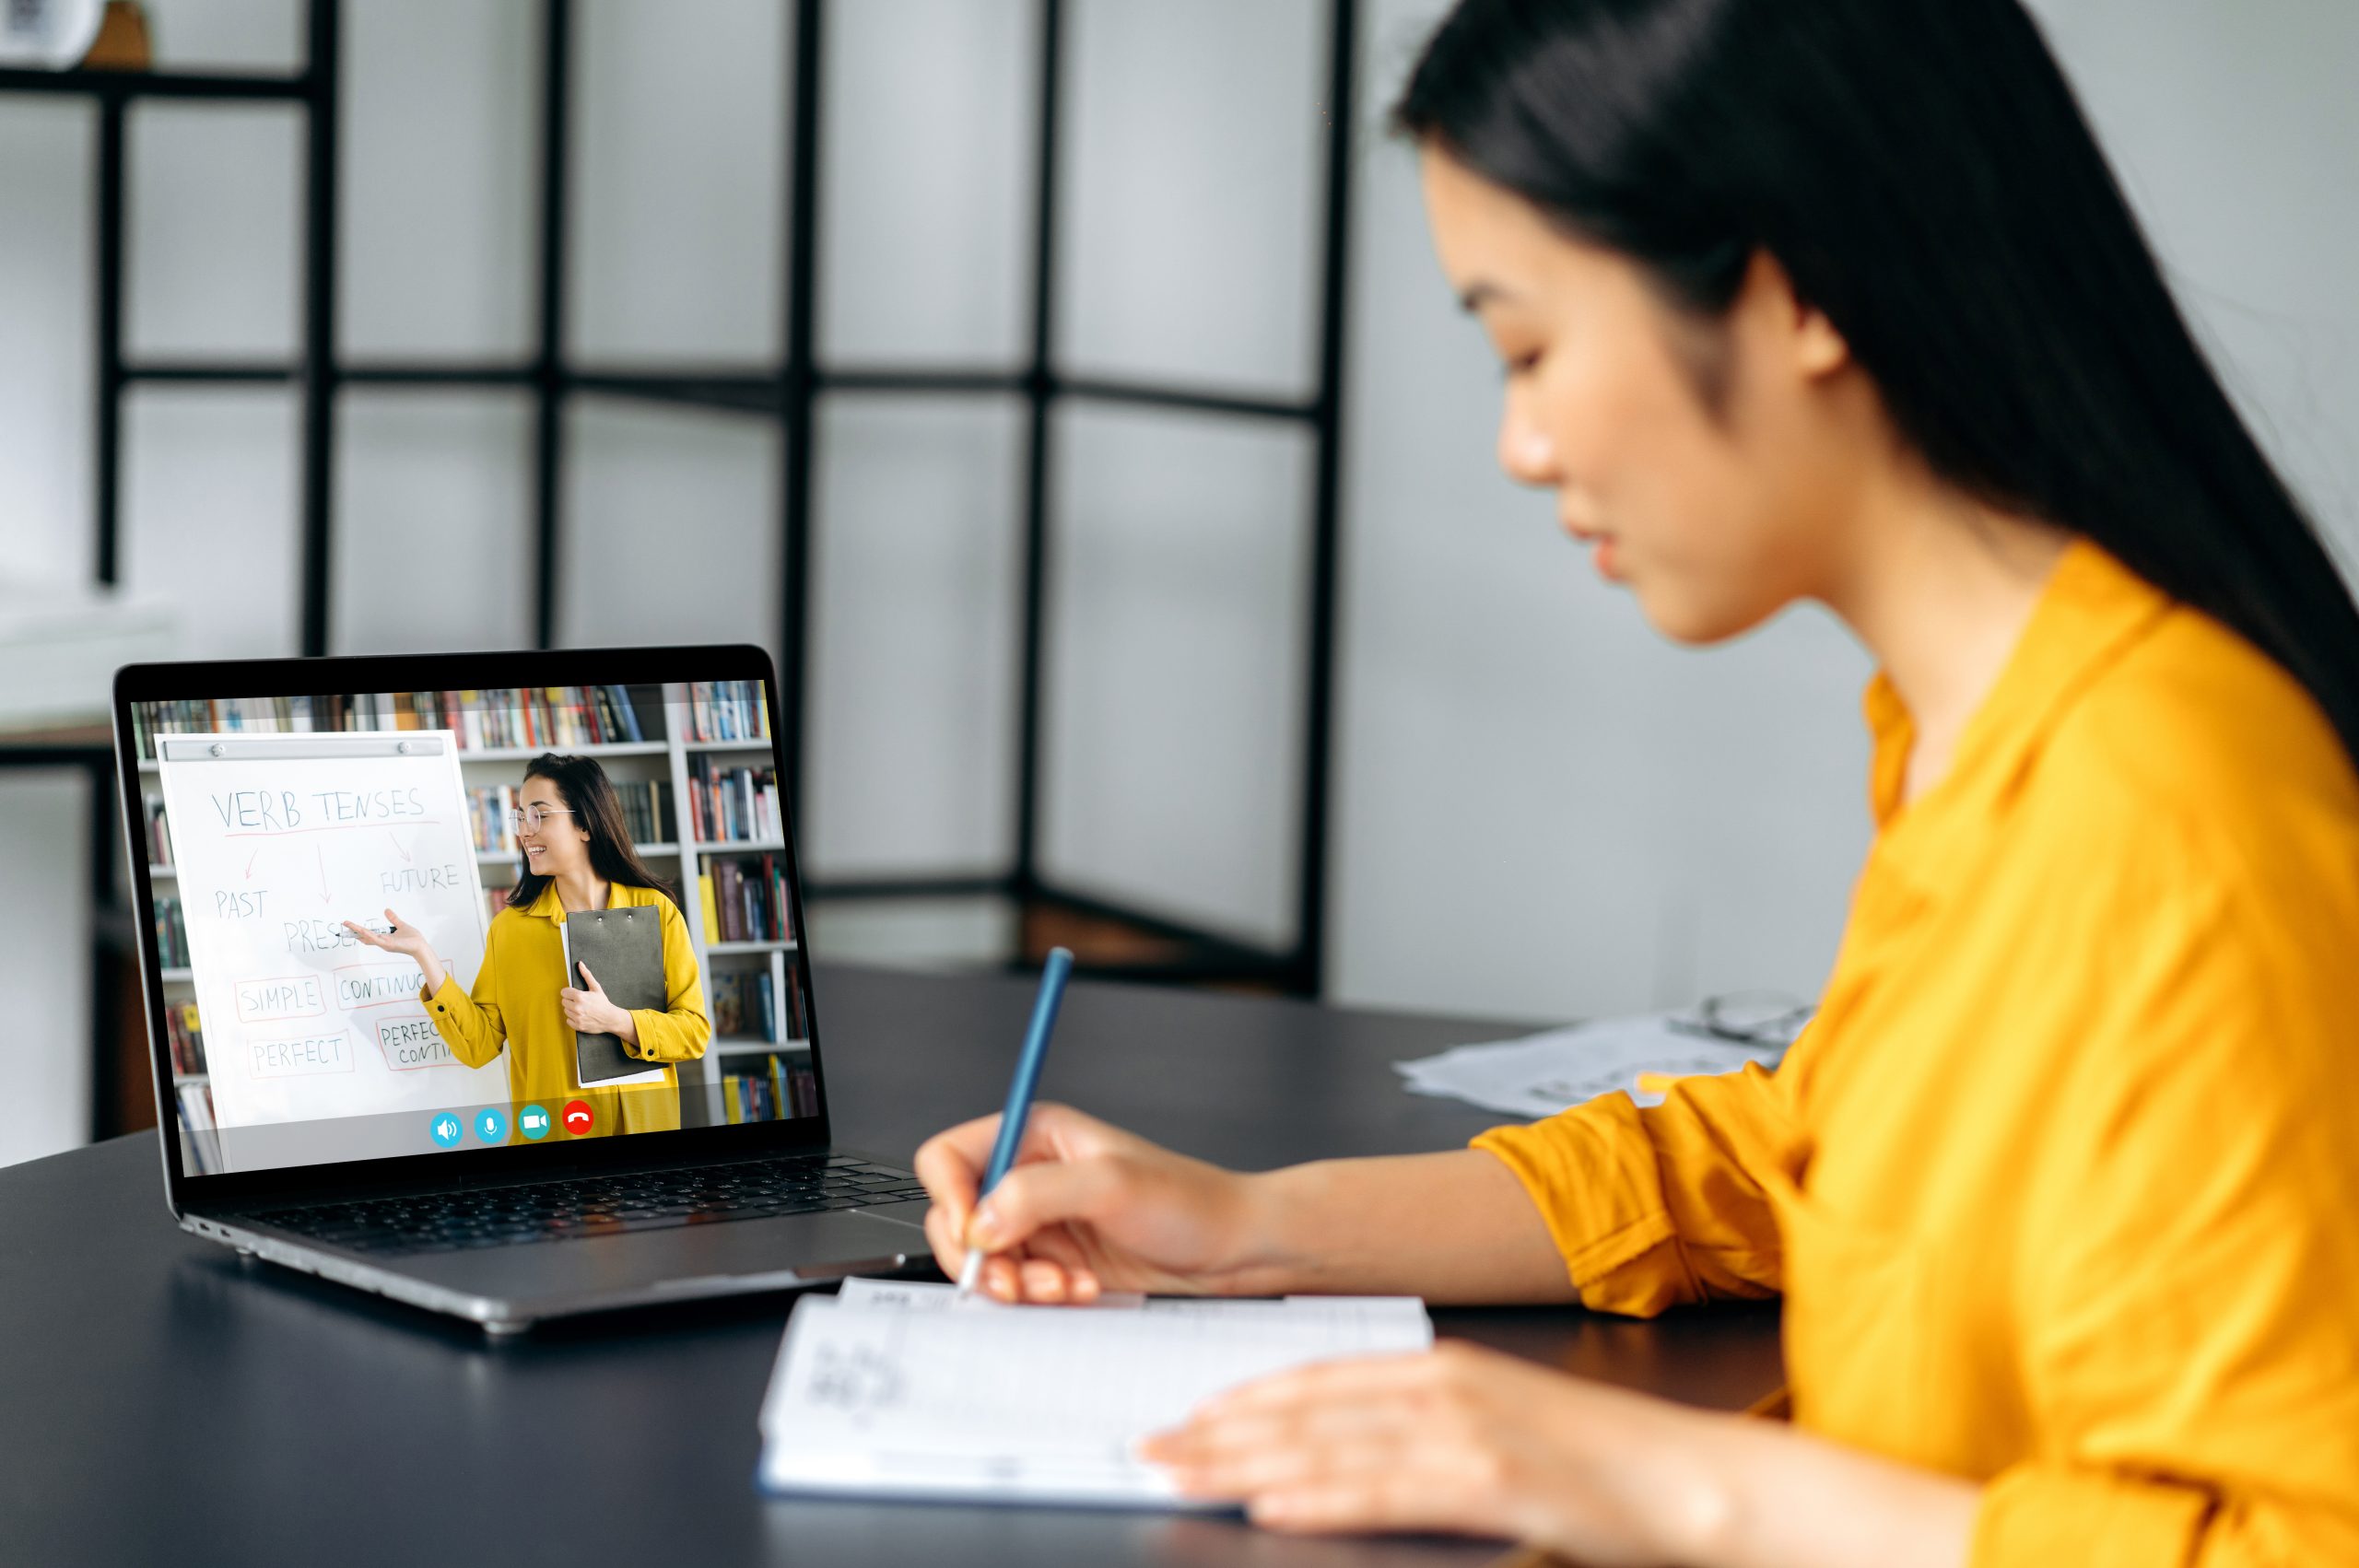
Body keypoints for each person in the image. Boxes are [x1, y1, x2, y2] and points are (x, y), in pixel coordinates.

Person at [910, 1, 2359, 1561]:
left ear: (1793, 285)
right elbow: (1783, 1157)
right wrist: (1242, 1230)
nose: (1521, 446)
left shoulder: (2164, 806)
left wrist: (1657, 1480)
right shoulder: (1976, 732)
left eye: (1530, 348)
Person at [346, 751, 709, 1139]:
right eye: (520, 817)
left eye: (539, 815)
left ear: (585, 824)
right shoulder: (511, 930)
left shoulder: (655, 911)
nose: (525, 831)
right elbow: (479, 1046)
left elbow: (693, 1034)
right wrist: (423, 954)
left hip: (645, 1136)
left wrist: (615, 1021)